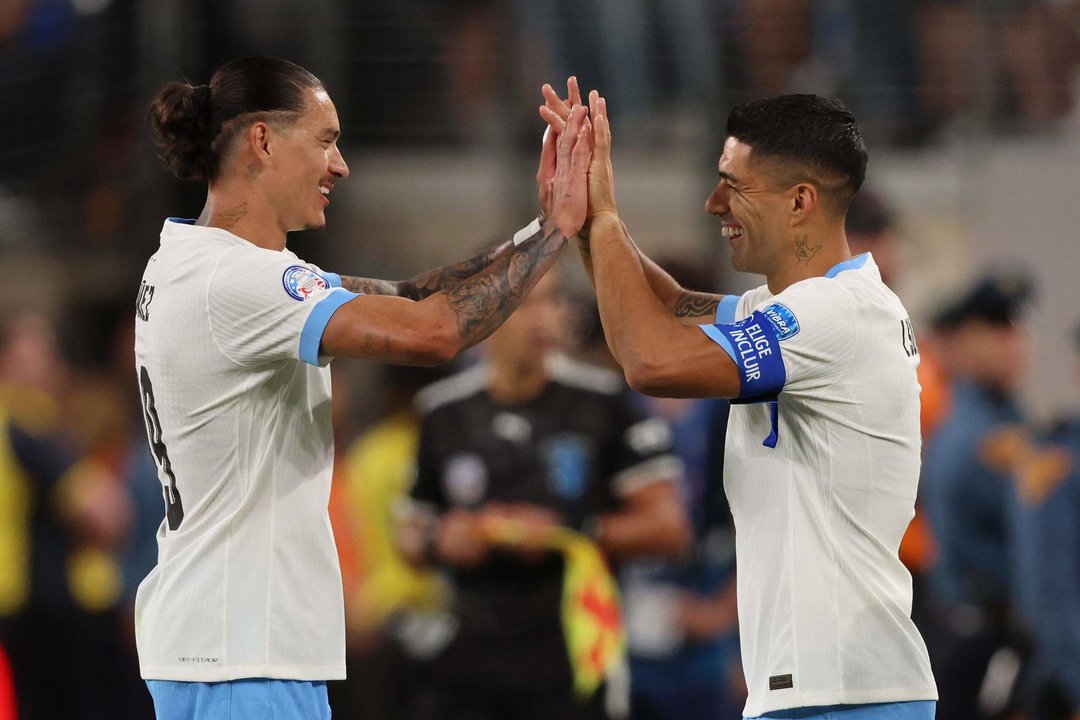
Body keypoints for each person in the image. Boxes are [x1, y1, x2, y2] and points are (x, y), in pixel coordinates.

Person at [136, 56, 591, 719]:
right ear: (261, 141)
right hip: (239, 656)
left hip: (229, 648)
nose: (341, 165)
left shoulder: (201, 265)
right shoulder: (234, 282)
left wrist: (540, 222)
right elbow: (433, 333)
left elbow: (414, 294)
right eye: (325, 139)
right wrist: (561, 231)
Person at [540, 83, 937, 719]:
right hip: (822, 692)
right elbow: (668, 306)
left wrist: (608, 215)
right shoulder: (791, 310)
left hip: (846, 696)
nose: (713, 203)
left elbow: (651, 359)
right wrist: (588, 219)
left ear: (800, 202)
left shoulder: (838, 314)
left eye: (735, 186)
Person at [397, 266, 690, 720]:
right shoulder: (442, 411)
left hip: (572, 653)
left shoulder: (606, 401)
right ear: (483, 314)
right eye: (524, 304)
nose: (542, 318)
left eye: (552, 301)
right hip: (469, 657)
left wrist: (567, 533)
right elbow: (410, 534)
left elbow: (669, 529)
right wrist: (442, 539)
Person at [921, 271, 1035, 720]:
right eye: (996, 330)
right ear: (961, 342)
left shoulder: (1006, 418)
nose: (1015, 342)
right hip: (982, 640)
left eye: (1017, 328)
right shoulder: (973, 435)